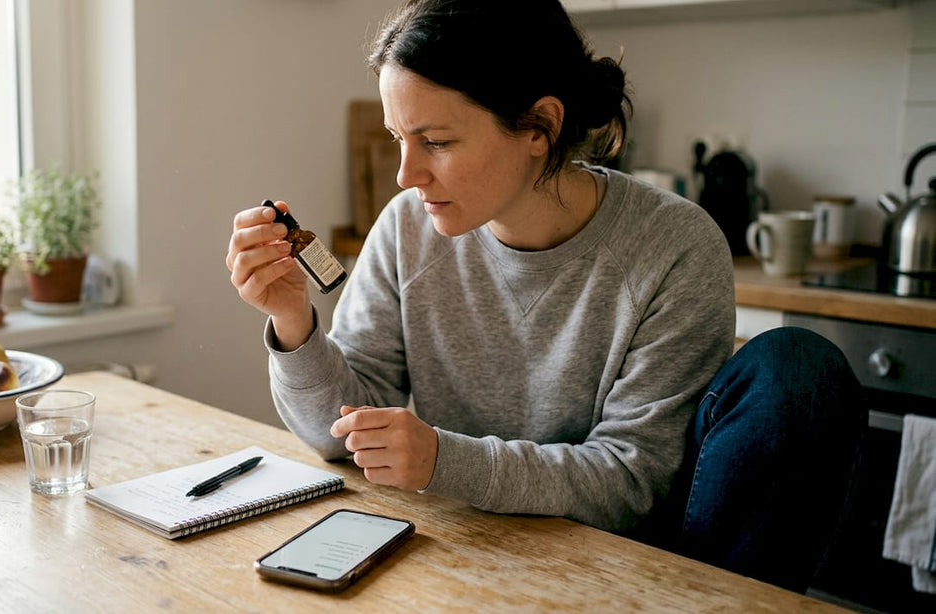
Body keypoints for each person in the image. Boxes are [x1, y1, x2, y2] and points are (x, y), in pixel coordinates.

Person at [226, 0, 864, 593]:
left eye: (437, 142)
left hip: (630, 560)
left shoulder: (675, 245)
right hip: (467, 542)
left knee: (799, 369)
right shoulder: (406, 226)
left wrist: (444, 460)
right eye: (400, 138)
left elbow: (632, 480)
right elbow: (342, 435)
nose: (406, 174)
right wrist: (294, 323)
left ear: (540, 125)